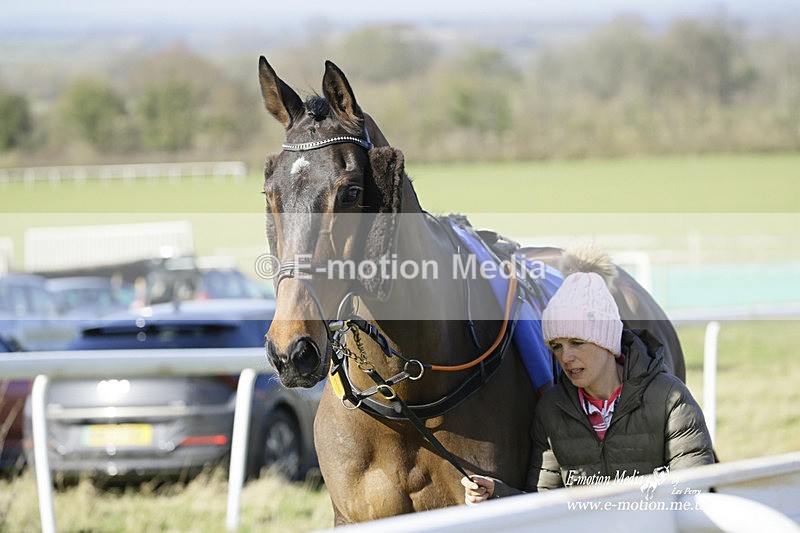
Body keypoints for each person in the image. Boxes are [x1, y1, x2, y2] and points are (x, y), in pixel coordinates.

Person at [462, 246, 715, 503]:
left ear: (606, 342)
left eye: (577, 342)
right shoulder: (552, 408)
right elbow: (543, 505)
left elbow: (694, 493)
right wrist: (496, 493)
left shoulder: (670, 398)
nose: (565, 357)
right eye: (557, 346)